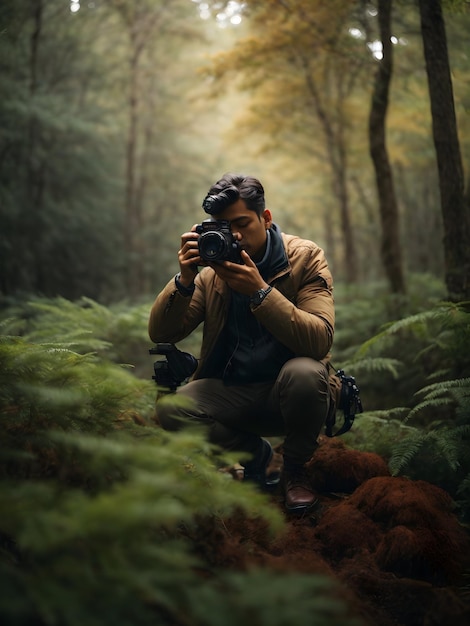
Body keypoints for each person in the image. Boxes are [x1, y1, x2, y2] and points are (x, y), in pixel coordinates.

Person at [148, 173, 335, 514]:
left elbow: (320, 339)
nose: (233, 236)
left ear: (266, 218)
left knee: (305, 372)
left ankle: (294, 471)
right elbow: (162, 334)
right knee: (172, 409)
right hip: (234, 392)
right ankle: (254, 456)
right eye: (222, 227)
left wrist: (260, 292)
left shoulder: (304, 258)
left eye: (242, 223)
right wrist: (184, 279)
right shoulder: (211, 273)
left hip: (291, 394)